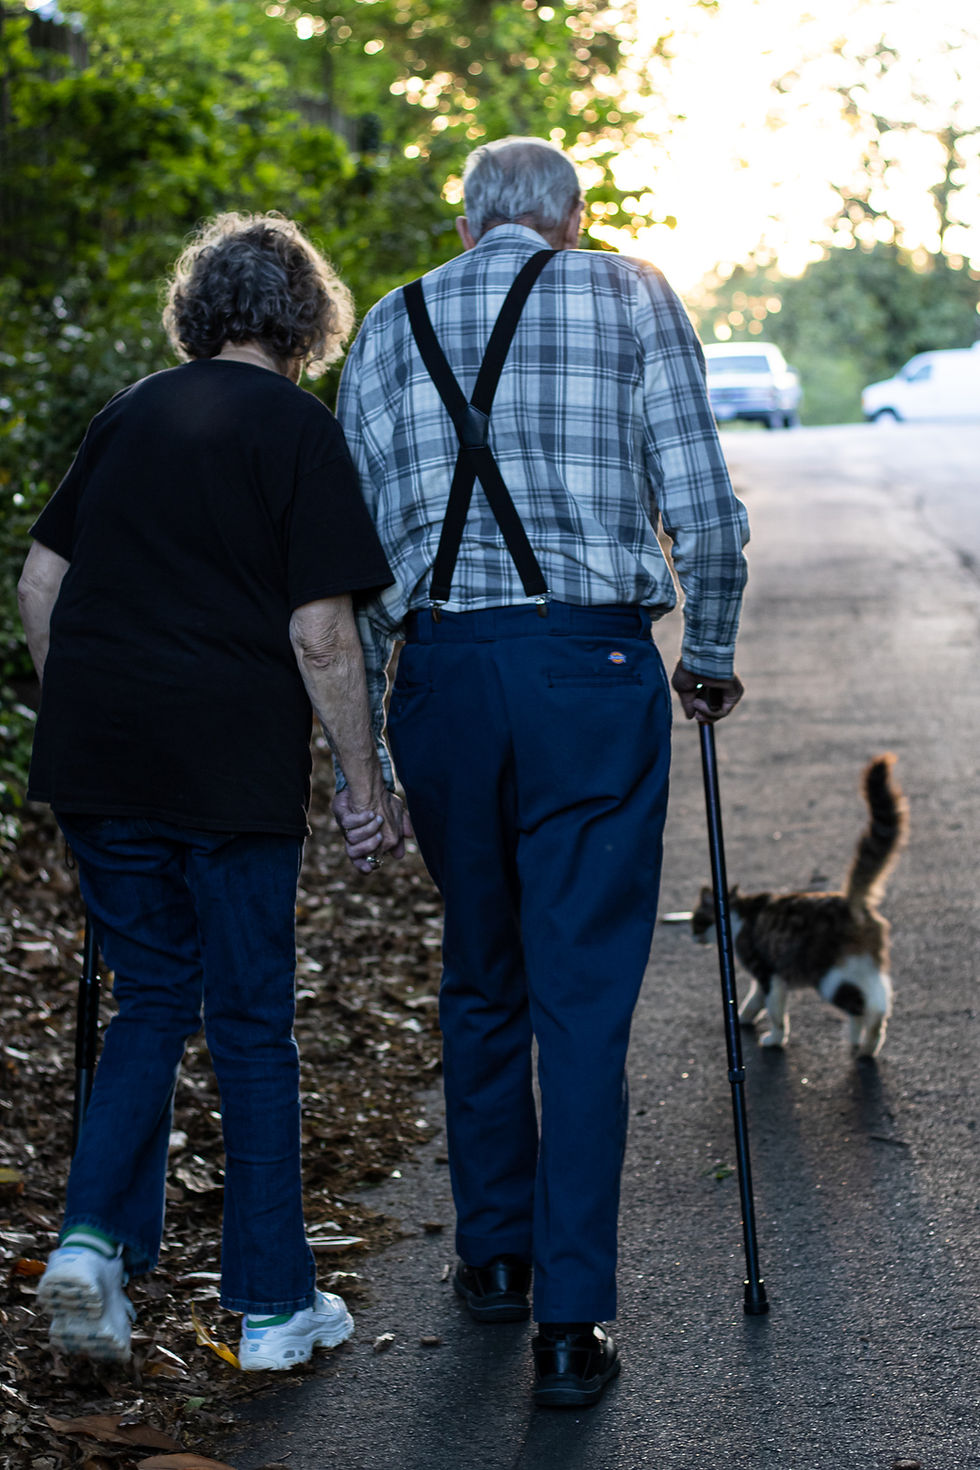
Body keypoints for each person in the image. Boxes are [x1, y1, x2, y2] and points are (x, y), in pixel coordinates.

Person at [335, 137, 749, 1408]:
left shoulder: (387, 326)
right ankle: (569, 1328)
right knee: (579, 995)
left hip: (443, 680)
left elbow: (350, 567)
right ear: (571, 217)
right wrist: (707, 653)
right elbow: (702, 508)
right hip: (588, 668)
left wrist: (366, 758)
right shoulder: (628, 290)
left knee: (480, 973)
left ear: (464, 228)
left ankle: (493, 1260)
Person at [17, 211, 407, 1371]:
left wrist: (86, 707)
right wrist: (363, 779)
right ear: (305, 322)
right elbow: (320, 634)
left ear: (197, 312)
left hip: (101, 759)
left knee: (149, 1000)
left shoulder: (130, 412)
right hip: (230, 769)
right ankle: (275, 1308)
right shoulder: (297, 430)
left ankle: (89, 1243)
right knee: (249, 1028)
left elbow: (40, 583)